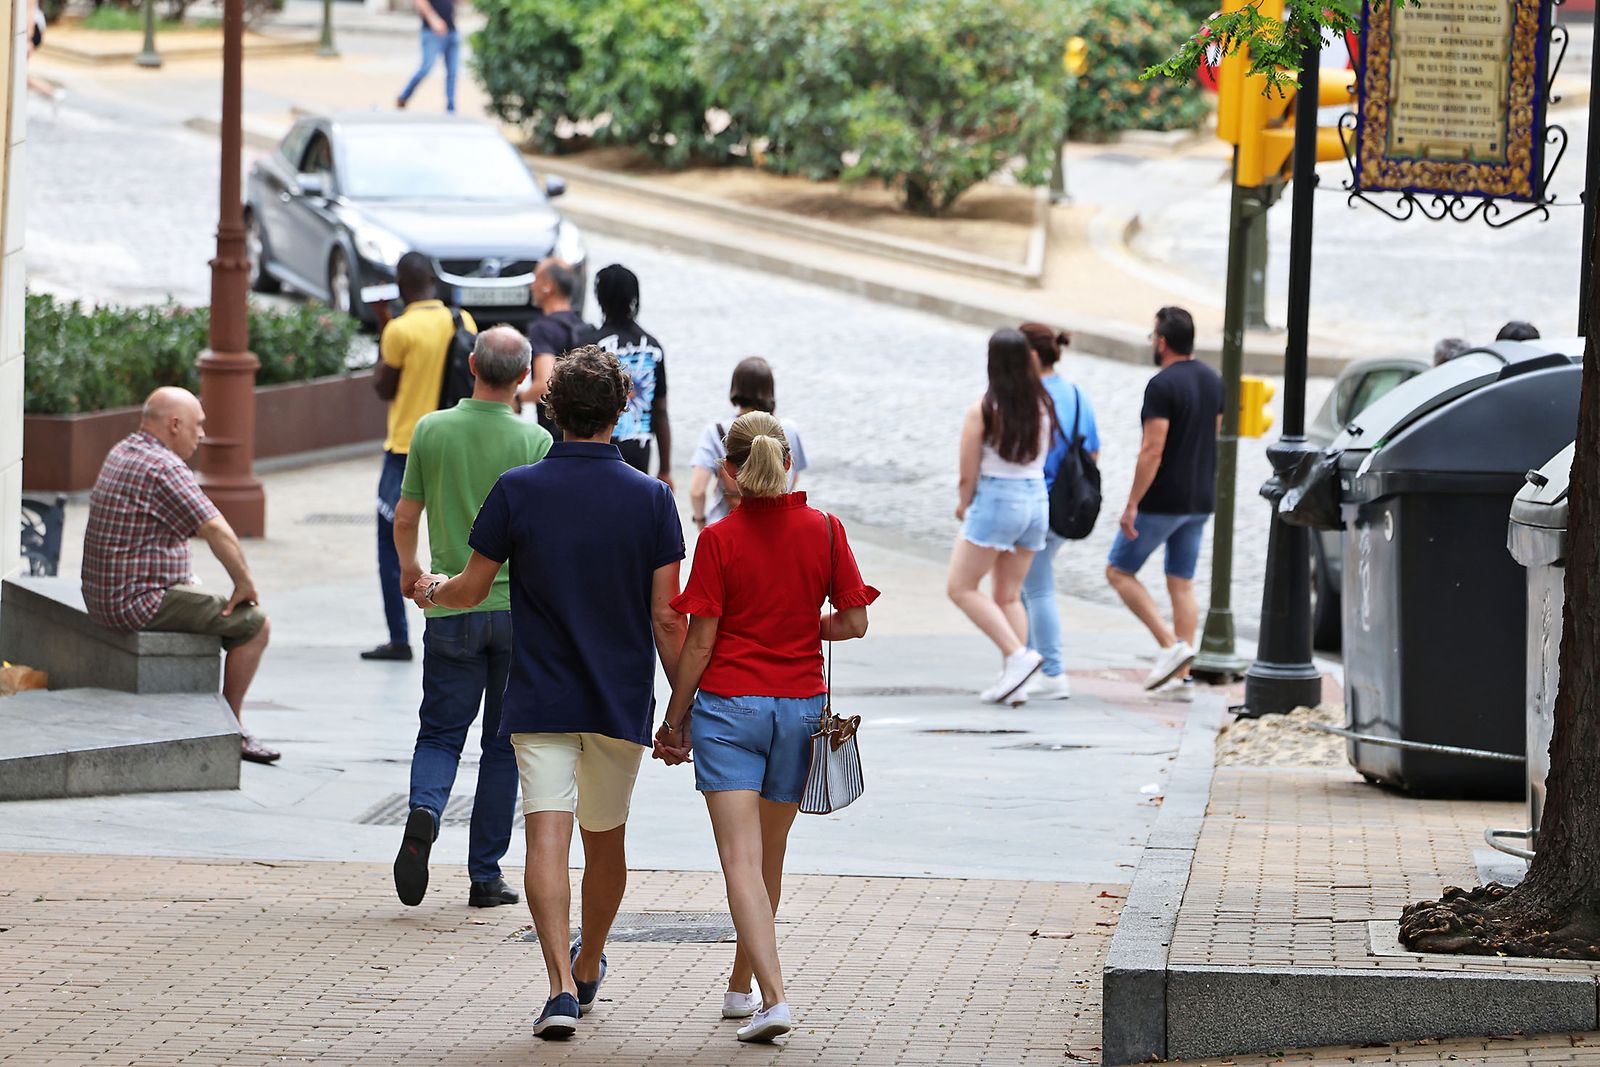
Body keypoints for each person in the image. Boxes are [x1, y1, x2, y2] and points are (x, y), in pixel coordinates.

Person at [413, 345, 687, 1040]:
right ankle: (589, 956)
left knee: (544, 837)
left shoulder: (518, 489)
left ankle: (560, 988)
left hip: (540, 693)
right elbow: (665, 616)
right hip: (618, 697)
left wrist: (432, 588)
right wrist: (683, 708)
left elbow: (473, 588)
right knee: (605, 841)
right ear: (622, 409)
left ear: (551, 409)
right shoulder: (652, 499)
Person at [656, 411, 877, 1044]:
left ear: (730, 471)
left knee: (739, 860)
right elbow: (856, 623)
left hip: (730, 712)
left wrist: (676, 720)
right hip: (800, 710)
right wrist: (802, 628)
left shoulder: (719, 540)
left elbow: (698, 645)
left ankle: (773, 997)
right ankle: (739, 987)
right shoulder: (826, 530)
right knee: (768, 859)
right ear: (787, 462)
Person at [390, 327, 553, 911]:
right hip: (514, 613)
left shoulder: (431, 430)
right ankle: (485, 875)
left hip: (450, 606)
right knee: (503, 745)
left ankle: (425, 810)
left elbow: (405, 517)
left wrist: (413, 577)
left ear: (471, 365)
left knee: (439, 731)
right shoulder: (534, 440)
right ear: (523, 377)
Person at [81, 387, 277, 764]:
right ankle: (231, 728)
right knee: (255, 624)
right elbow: (216, 530)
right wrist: (245, 584)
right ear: (175, 425)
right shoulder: (164, 466)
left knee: (199, 588)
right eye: (198, 425)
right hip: (135, 602)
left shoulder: (124, 449)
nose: (202, 434)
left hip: (103, 595)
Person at [1105, 307, 1223, 691]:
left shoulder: (1161, 386)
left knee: (1119, 571)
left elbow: (1152, 450)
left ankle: (1170, 646)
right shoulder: (1213, 380)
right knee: (1181, 583)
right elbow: (1215, 435)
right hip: (1200, 498)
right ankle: (1182, 673)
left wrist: (1132, 503)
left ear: (1162, 342)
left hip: (1162, 500)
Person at [367, 252, 475, 662]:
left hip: (404, 448)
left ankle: (398, 636)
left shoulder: (400, 329)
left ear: (399, 286)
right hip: (451, 444)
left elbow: (383, 387)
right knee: (458, 532)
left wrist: (384, 326)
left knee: (390, 540)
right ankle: (457, 610)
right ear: (433, 279)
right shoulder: (461, 320)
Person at [945, 329, 1055, 706]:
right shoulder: (1042, 404)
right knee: (1009, 596)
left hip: (997, 498)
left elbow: (967, 469)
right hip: (1036, 499)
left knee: (961, 587)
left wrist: (964, 502)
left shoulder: (984, 408)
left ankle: (1017, 655)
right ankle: (1017, 681)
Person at [1017, 324, 1100, 701]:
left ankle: (1050, 669)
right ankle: (1032, 663)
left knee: (1036, 586)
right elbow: (1092, 451)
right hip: (1066, 505)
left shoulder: (1027, 395)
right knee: (1026, 584)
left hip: (1035, 502)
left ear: (1032, 356)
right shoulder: (1077, 395)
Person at [580, 265, 673, 484]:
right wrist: (665, 469)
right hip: (638, 455)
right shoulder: (652, 348)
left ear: (600, 298)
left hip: (599, 454)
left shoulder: (591, 347)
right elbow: (660, 411)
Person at [689, 357, 808, 528]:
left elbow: (697, 491)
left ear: (734, 388)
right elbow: (792, 477)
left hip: (727, 528)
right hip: (778, 528)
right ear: (770, 390)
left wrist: (701, 521)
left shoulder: (716, 431)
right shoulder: (788, 429)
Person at [522, 258, 590, 438]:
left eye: (536, 279)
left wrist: (516, 399)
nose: (531, 286)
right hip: (584, 433)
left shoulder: (542, 329)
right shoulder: (584, 328)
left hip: (554, 436)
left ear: (548, 286)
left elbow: (545, 385)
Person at [395, 0, 460, 113]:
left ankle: (451, 107)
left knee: (452, 72)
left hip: (451, 29)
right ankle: (404, 96)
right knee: (426, 67)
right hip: (431, 31)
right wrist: (433, 19)